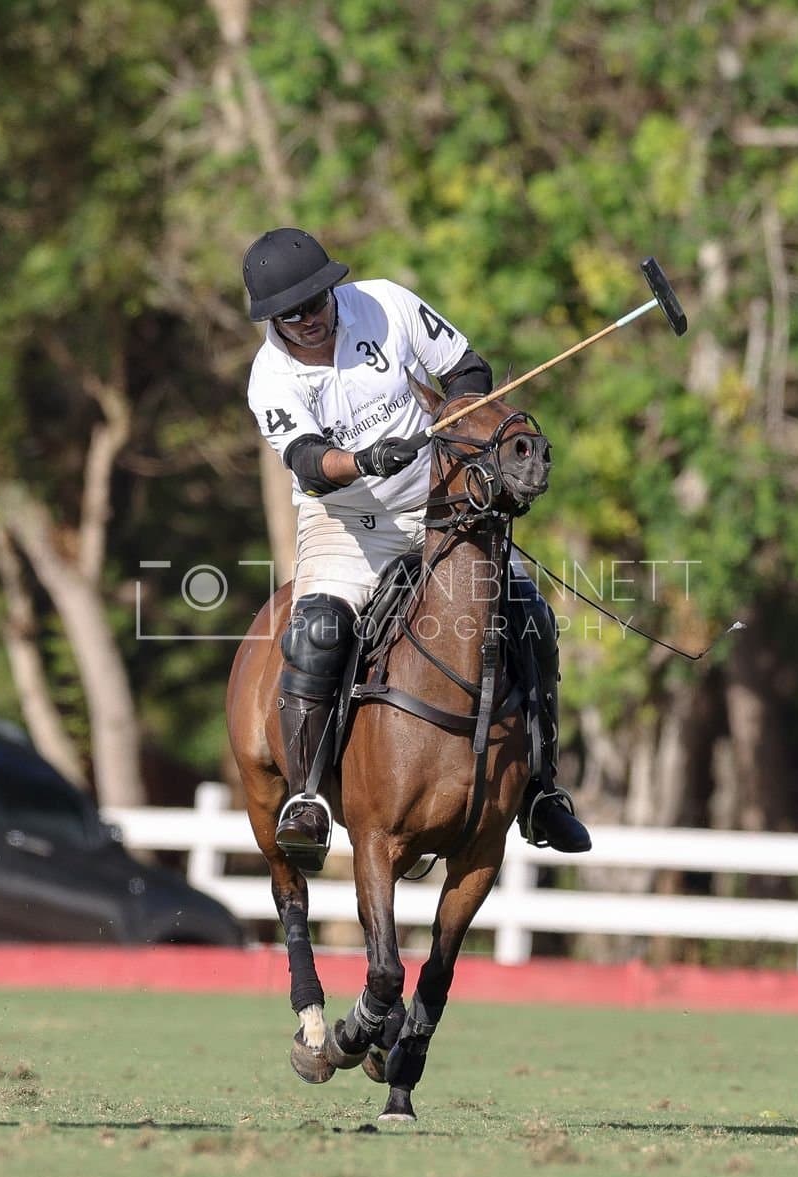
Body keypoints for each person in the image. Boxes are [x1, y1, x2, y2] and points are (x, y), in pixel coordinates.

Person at [242, 227, 591, 866]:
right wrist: (369, 457)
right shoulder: (271, 378)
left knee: (533, 619)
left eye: (315, 304)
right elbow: (311, 464)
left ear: (331, 290)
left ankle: (542, 789)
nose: (308, 321)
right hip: (346, 525)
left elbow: (469, 368)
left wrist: (453, 420)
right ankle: (309, 797)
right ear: (274, 322)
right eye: (290, 316)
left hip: (443, 507)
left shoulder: (386, 305)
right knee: (317, 632)